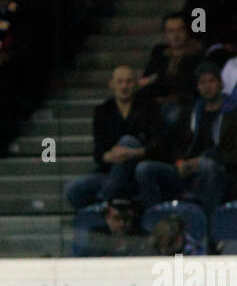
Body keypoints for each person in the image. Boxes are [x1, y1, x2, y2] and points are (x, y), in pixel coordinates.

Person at [135, 62, 237, 214]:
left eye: (211, 81)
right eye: (202, 82)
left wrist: (203, 161)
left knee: (208, 166)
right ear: (198, 87)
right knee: (144, 169)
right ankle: (154, 220)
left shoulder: (236, 114)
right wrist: (180, 162)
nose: (207, 86)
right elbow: (174, 145)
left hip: (222, 172)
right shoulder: (190, 112)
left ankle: (208, 226)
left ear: (220, 84)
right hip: (187, 169)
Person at [64, 65, 168, 210]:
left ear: (136, 84)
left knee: (129, 141)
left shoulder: (150, 107)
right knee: (72, 189)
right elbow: (99, 153)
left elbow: (160, 145)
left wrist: (135, 153)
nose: (124, 86)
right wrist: (110, 156)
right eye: (120, 82)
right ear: (111, 84)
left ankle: (105, 204)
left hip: (140, 173)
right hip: (111, 173)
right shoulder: (103, 111)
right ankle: (106, 215)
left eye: (129, 82)